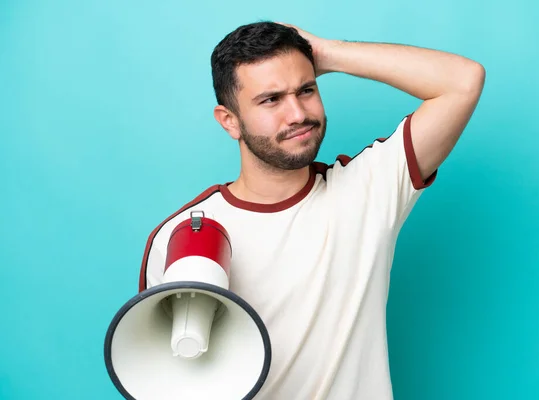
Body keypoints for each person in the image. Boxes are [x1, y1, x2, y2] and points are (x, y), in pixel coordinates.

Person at [139, 21, 485, 399]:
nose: (297, 114)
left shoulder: (368, 191)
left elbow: (463, 81)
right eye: (271, 99)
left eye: (306, 90)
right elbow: (169, 376)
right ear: (229, 121)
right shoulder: (184, 234)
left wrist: (327, 53)